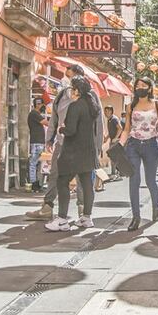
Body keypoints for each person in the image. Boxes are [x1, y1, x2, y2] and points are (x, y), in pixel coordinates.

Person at [26, 64, 103, 221]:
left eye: (69, 76)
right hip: (62, 144)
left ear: (79, 79)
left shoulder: (91, 97)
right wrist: (50, 137)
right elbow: (54, 118)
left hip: (84, 146)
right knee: (55, 174)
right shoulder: (61, 96)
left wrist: (97, 145)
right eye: (65, 75)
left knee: (83, 180)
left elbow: (98, 122)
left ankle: (83, 212)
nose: (65, 79)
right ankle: (47, 207)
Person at [46, 76, 100, 231]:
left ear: (76, 90)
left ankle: (62, 219)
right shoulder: (92, 106)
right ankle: (86, 217)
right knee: (87, 184)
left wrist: (61, 128)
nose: (70, 91)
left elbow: (71, 130)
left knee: (62, 182)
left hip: (73, 152)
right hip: (88, 151)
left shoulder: (75, 106)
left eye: (71, 88)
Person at [119, 77, 158, 231]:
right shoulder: (130, 106)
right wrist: (120, 145)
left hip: (151, 145)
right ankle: (136, 217)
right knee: (134, 180)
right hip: (133, 145)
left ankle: (155, 206)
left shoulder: (157, 105)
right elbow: (127, 129)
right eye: (137, 85)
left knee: (150, 181)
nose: (139, 87)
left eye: (143, 85)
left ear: (149, 88)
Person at [27, 99, 47, 191]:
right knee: (34, 163)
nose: (40, 105)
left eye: (41, 103)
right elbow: (45, 123)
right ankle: (33, 183)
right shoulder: (34, 114)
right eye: (38, 104)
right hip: (36, 142)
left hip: (39, 142)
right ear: (35, 105)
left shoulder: (37, 114)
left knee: (39, 163)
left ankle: (37, 183)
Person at [104, 106, 123, 180]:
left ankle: (114, 174)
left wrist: (115, 138)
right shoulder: (109, 120)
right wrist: (107, 138)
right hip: (112, 140)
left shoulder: (114, 119)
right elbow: (111, 131)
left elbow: (120, 128)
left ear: (111, 111)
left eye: (107, 111)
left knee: (113, 157)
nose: (106, 113)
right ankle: (116, 173)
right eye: (105, 111)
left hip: (116, 141)